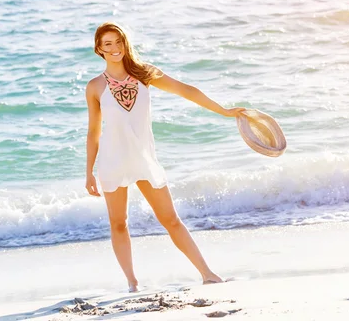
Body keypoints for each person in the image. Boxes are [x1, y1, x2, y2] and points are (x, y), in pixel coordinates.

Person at [85, 22, 245, 292]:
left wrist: (225, 112)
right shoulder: (95, 87)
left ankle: (207, 273)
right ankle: (132, 283)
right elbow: (93, 132)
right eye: (107, 44)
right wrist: (88, 172)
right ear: (99, 49)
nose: (114, 48)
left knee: (170, 219)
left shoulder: (145, 74)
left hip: (144, 158)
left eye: (118, 42)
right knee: (119, 223)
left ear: (125, 43)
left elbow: (187, 90)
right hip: (113, 160)